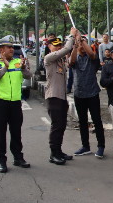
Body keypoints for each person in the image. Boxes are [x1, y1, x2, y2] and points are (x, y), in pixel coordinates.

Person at [0, 37, 32, 173]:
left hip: (16, 103)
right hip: (0, 103)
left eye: (12, 47)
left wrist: (24, 68)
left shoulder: (19, 62)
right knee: (0, 133)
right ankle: (1, 160)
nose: (12, 49)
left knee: (16, 132)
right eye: (8, 47)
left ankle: (18, 157)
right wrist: (5, 67)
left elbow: (29, 76)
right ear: (1, 50)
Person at [44, 28, 77, 165]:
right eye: (55, 45)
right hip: (54, 97)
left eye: (59, 45)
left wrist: (75, 45)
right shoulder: (49, 58)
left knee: (62, 126)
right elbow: (65, 49)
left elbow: (71, 60)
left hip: (62, 98)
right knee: (57, 126)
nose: (58, 47)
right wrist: (71, 35)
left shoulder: (61, 61)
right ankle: (53, 154)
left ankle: (59, 151)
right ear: (49, 47)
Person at [69, 35, 105, 159]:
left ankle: (101, 146)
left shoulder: (92, 58)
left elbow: (92, 54)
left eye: (84, 44)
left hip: (93, 93)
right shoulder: (75, 57)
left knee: (97, 120)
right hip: (79, 94)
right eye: (80, 44)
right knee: (82, 121)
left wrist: (82, 40)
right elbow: (71, 62)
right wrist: (75, 45)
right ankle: (85, 146)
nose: (82, 47)